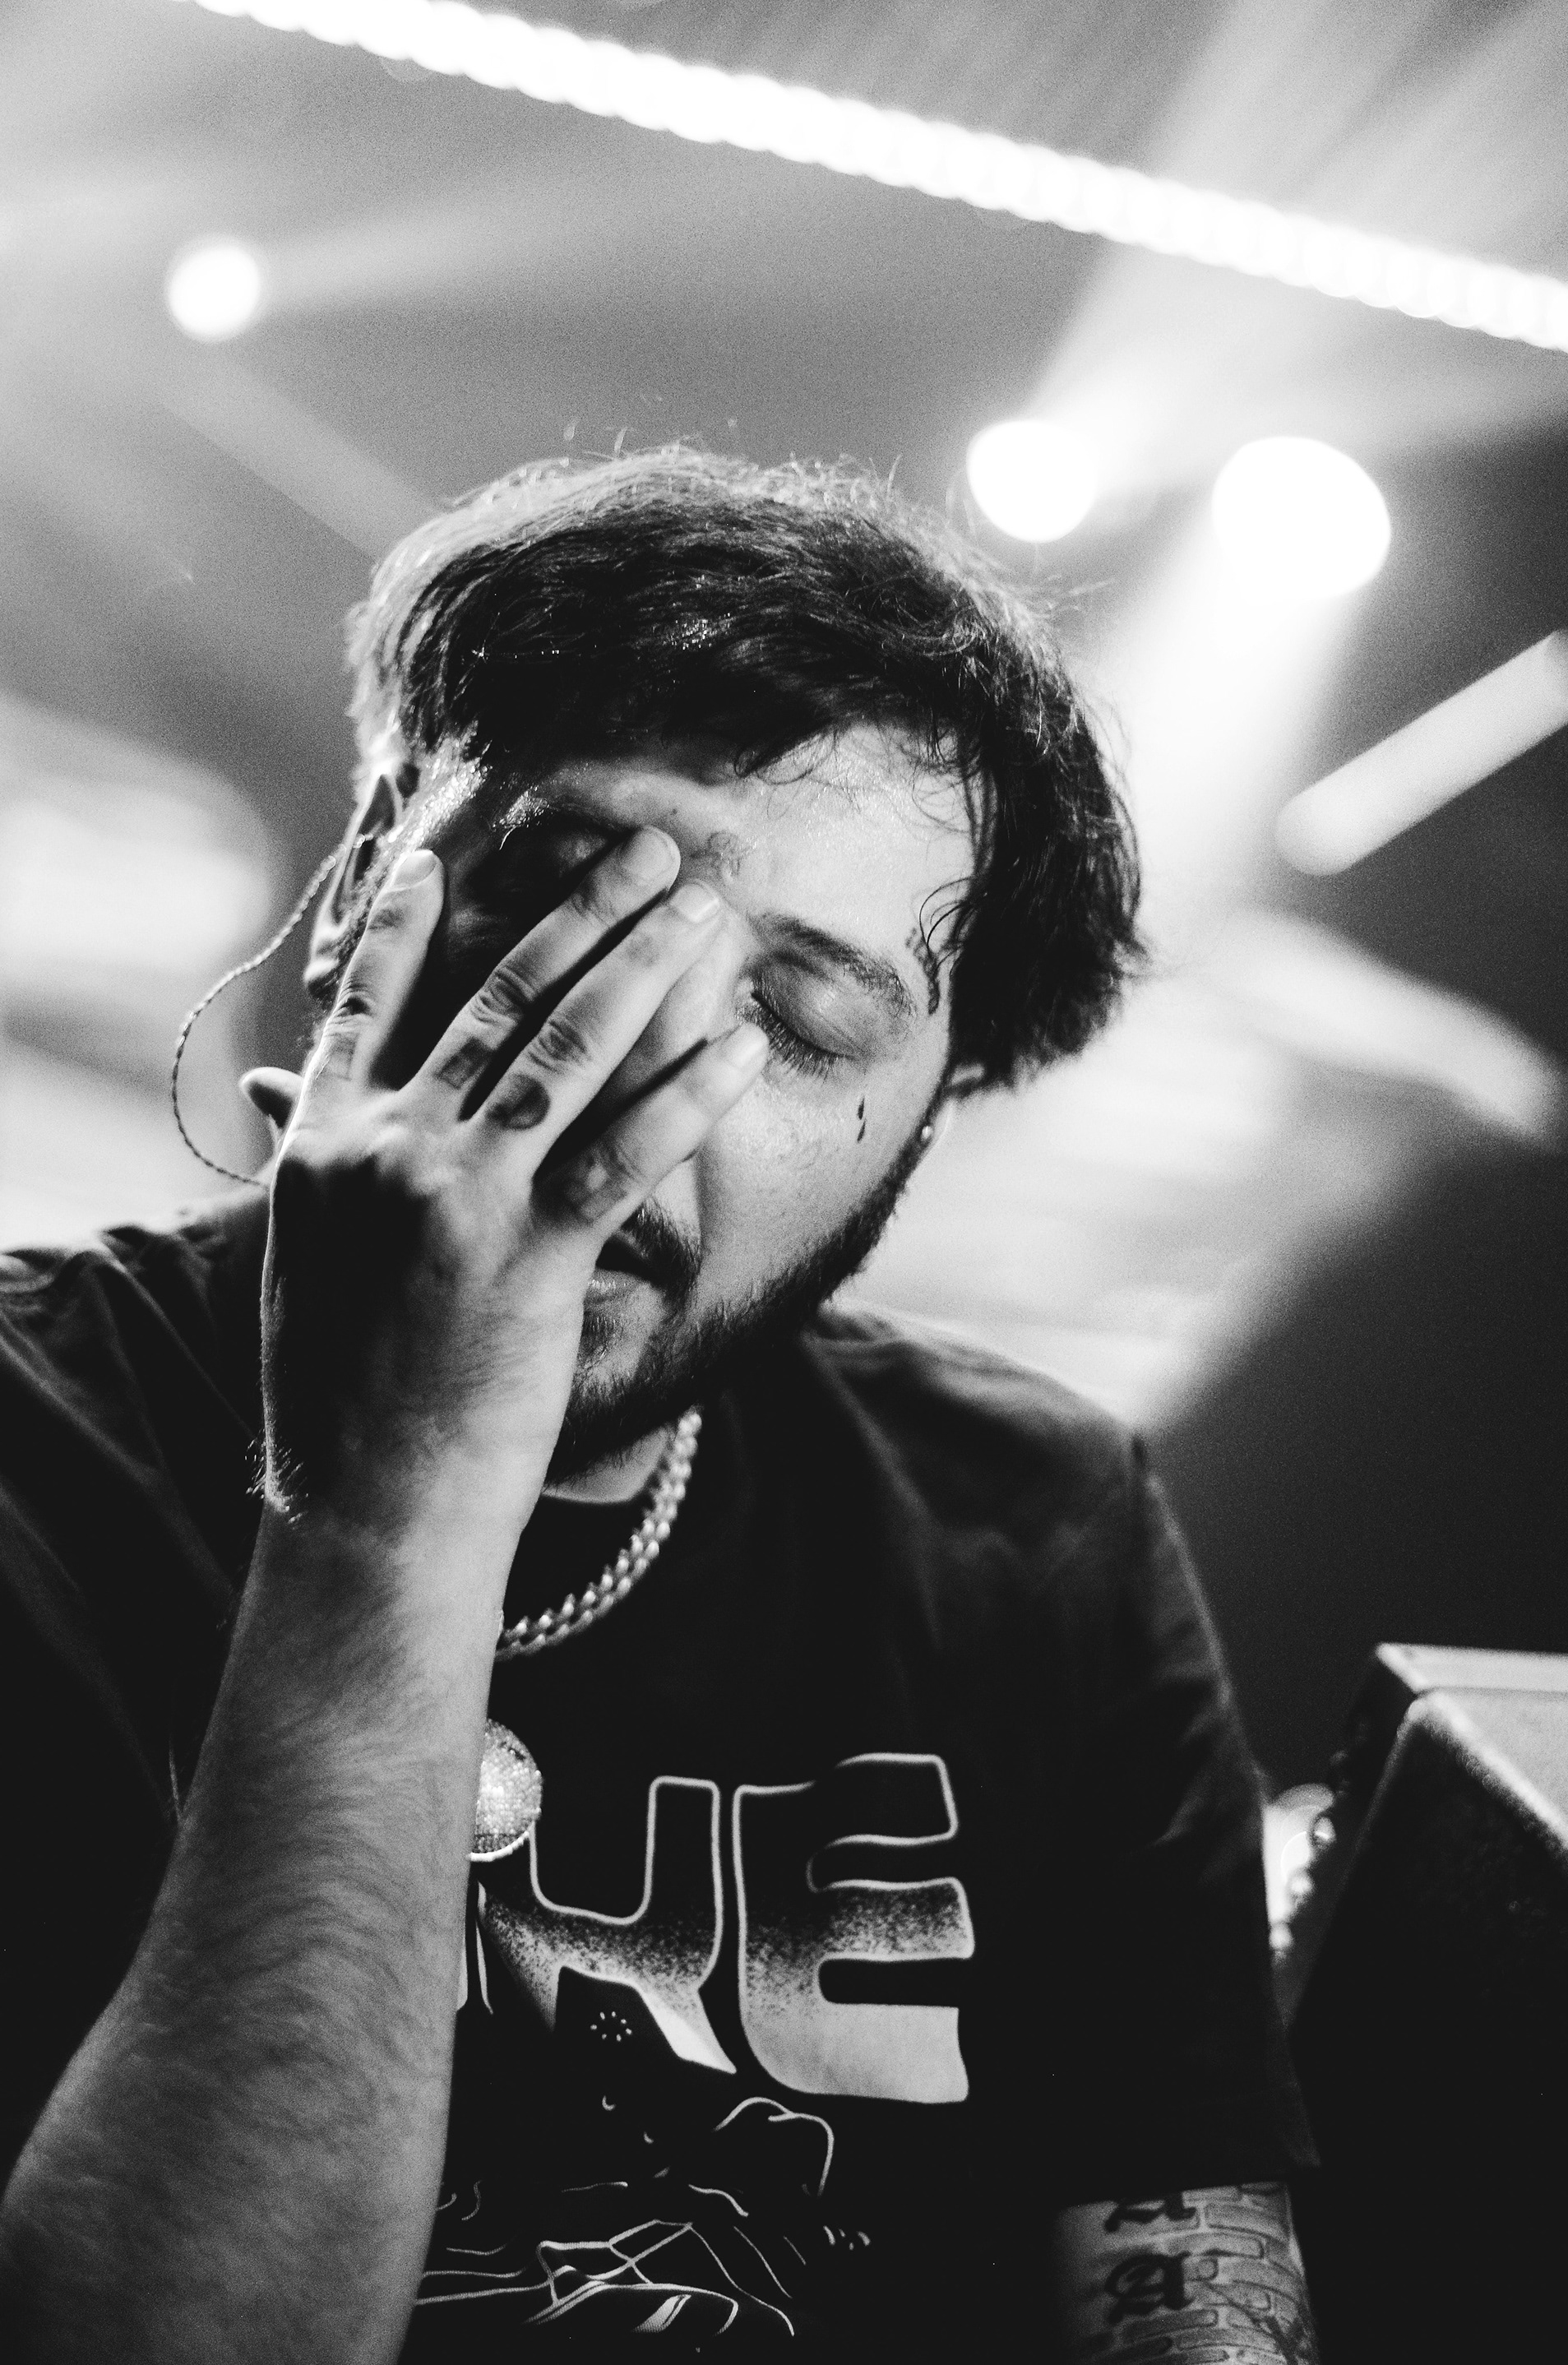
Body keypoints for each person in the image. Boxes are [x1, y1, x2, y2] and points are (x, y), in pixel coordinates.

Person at [0, 451, 1316, 2361]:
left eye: (804, 1017)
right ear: (366, 889)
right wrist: (386, 1517)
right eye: (577, 910)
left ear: (930, 1112)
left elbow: (1175, 2251)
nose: (639, 1077)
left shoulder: (1042, 1528)